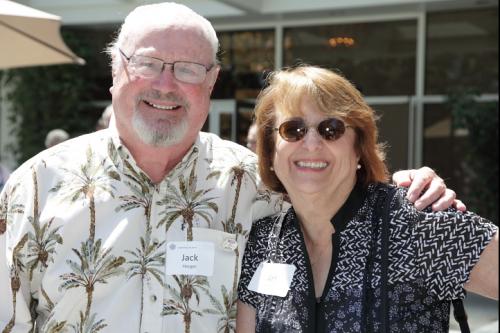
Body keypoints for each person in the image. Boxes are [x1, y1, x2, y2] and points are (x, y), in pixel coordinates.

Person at [0, 3, 462, 332]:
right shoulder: (37, 187)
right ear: (116, 70)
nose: (166, 85)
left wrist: (407, 189)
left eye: (187, 69)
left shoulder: (258, 185)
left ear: (212, 81)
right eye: (148, 63)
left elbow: (334, 183)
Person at [236, 65, 498, 332]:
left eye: (331, 129)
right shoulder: (262, 242)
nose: (312, 144)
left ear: (359, 147)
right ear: (270, 151)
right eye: (293, 130)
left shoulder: (415, 223)